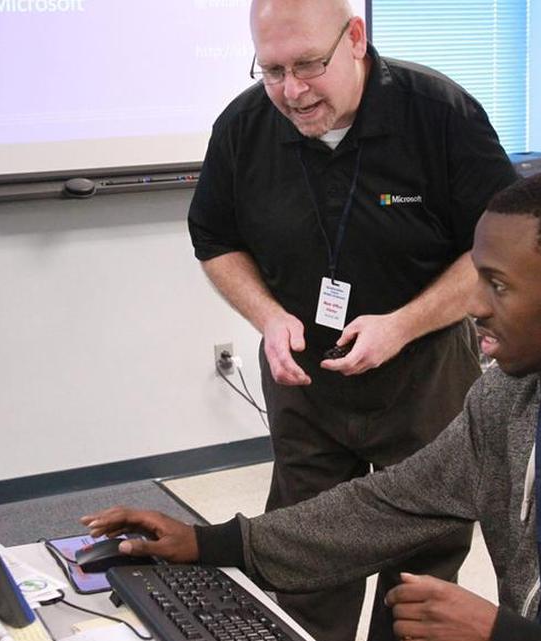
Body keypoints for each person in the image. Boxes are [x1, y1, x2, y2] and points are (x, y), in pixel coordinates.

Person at [86, 167, 541, 641]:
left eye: (497, 286)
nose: (474, 305)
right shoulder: (512, 398)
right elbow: (385, 505)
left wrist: (506, 635)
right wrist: (211, 542)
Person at [187, 1, 517, 638]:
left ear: (356, 38)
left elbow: (497, 252)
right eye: (272, 70)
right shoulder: (244, 126)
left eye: (308, 65)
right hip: (304, 380)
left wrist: (403, 323)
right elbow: (213, 239)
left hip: (424, 371)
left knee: (421, 566)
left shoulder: (440, 114)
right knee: (304, 551)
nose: (292, 91)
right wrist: (268, 315)